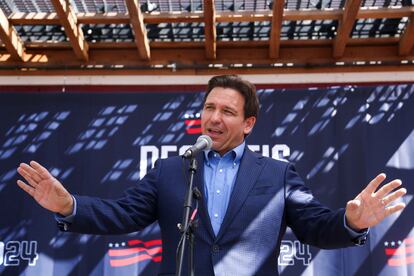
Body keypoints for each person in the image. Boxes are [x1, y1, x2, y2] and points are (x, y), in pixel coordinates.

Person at [16, 75, 406, 275]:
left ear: (249, 123)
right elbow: (124, 214)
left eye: (227, 112)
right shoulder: (172, 169)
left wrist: (350, 220)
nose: (213, 118)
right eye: (209, 108)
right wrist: (69, 205)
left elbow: (315, 226)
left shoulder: (278, 174)